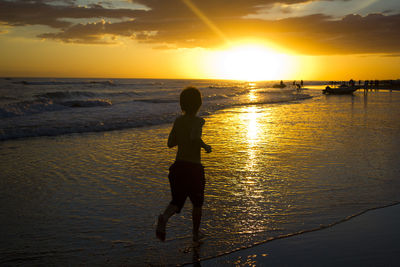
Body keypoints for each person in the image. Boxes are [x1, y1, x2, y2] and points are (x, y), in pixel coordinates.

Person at [156, 86, 212, 243]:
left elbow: (170, 143)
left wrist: (182, 138)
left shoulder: (178, 121)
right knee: (197, 203)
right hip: (193, 168)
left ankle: (164, 217)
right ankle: (195, 233)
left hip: (177, 167)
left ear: (182, 104)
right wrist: (205, 146)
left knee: (177, 202)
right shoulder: (199, 121)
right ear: (199, 104)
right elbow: (194, 137)